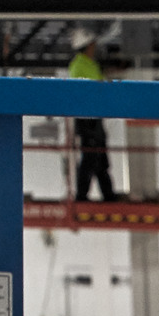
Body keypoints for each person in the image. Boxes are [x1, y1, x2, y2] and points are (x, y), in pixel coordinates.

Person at [68, 36, 117, 203]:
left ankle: (108, 195)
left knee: (100, 157)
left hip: (94, 117)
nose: (94, 48)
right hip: (87, 119)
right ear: (87, 46)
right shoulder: (79, 65)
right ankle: (82, 196)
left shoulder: (89, 64)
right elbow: (87, 91)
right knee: (90, 157)